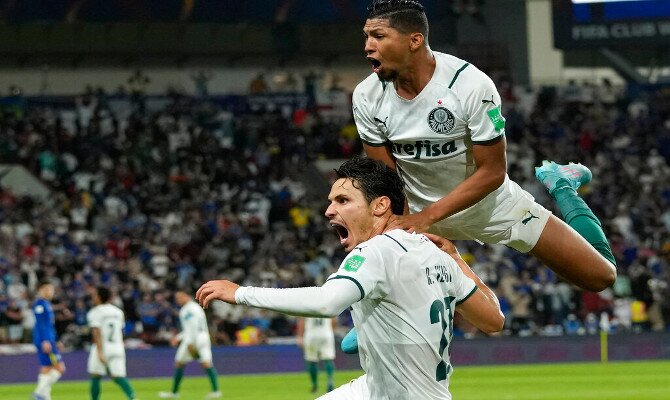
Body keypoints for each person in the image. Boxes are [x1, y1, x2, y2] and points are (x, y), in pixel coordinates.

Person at [353, 0, 616, 292]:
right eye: (366, 36)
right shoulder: (367, 95)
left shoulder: (469, 86)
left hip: (490, 208)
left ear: (414, 40)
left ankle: (562, 185)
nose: (367, 46)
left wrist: (427, 217)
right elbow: (385, 175)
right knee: (378, 286)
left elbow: (492, 171)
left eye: (378, 36)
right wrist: (398, 230)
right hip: (416, 214)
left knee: (600, 277)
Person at [196, 157, 504, 399]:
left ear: (381, 205)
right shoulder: (437, 254)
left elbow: (327, 302)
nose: (329, 210)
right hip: (387, 390)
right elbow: (493, 320)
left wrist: (239, 293)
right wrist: (456, 258)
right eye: (330, 201)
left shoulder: (377, 250)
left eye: (342, 200)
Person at [159, 290, 221, 399]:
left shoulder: (188, 309)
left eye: (179, 297)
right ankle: (216, 392)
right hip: (203, 337)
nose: (177, 300)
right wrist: (178, 338)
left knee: (179, 363)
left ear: (186, 296)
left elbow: (193, 327)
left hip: (195, 338)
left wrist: (190, 342)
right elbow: (190, 328)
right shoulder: (195, 307)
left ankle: (174, 393)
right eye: (176, 298)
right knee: (206, 363)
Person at [87, 286, 137, 400]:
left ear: (99, 297)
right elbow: (121, 330)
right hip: (117, 347)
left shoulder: (95, 312)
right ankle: (132, 397)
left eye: (94, 295)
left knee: (96, 375)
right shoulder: (118, 312)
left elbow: (96, 332)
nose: (93, 297)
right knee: (118, 376)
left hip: (103, 347)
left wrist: (100, 352)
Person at [32, 281, 66, 400]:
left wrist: (55, 340)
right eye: (48, 289)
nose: (51, 292)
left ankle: (44, 397)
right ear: (41, 289)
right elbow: (42, 325)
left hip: (48, 340)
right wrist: (46, 341)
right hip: (44, 340)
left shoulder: (46, 304)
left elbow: (49, 326)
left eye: (51, 289)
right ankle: (39, 393)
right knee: (60, 368)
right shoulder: (40, 304)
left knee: (46, 368)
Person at [296, 317, 336, 393]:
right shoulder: (327, 305)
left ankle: (314, 385)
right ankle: (330, 382)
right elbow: (334, 320)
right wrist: (331, 331)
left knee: (312, 361)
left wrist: (300, 336)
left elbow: (301, 320)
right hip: (326, 334)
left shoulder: (306, 306)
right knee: (328, 359)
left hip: (311, 335)